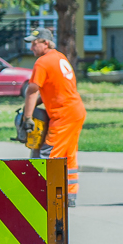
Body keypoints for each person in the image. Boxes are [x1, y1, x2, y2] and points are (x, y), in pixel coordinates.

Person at [20, 27, 87, 207]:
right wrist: (38, 103)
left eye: (34, 44)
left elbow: (32, 90)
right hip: (75, 111)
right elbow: (54, 87)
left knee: (48, 154)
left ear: (45, 43)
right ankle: (69, 195)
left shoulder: (42, 62)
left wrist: (27, 117)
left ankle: (43, 196)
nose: (31, 48)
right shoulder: (59, 57)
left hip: (63, 115)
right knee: (68, 154)